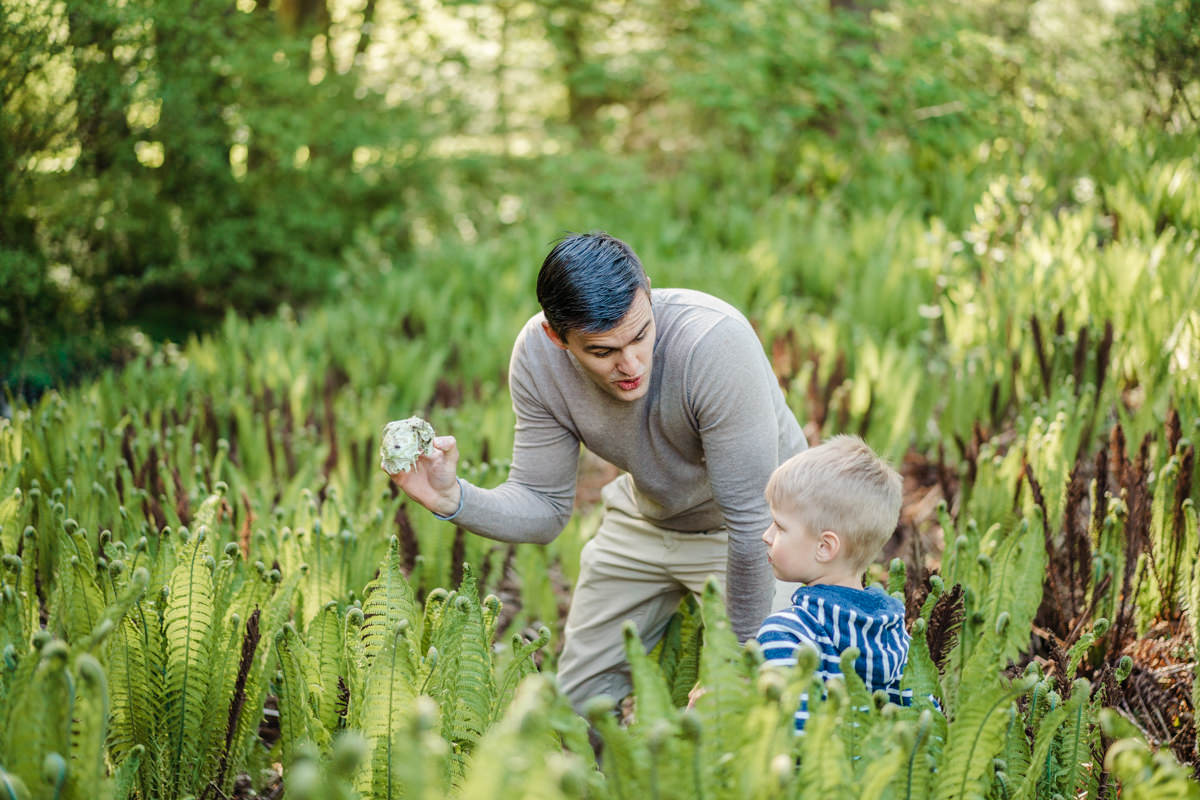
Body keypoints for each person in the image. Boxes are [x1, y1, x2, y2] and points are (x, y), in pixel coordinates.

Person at [387, 231, 807, 712]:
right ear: (556, 336)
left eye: (641, 335)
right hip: (649, 518)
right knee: (572, 712)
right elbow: (542, 508)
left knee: (759, 707)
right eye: (602, 351)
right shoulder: (537, 358)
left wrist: (737, 664)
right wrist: (451, 498)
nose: (630, 365)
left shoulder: (713, 344)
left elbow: (753, 522)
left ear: (647, 292)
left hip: (770, 529)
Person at [755, 434, 909, 732]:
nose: (767, 534)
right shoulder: (896, 635)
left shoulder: (787, 634)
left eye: (780, 526)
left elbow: (787, 741)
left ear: (825, 547)